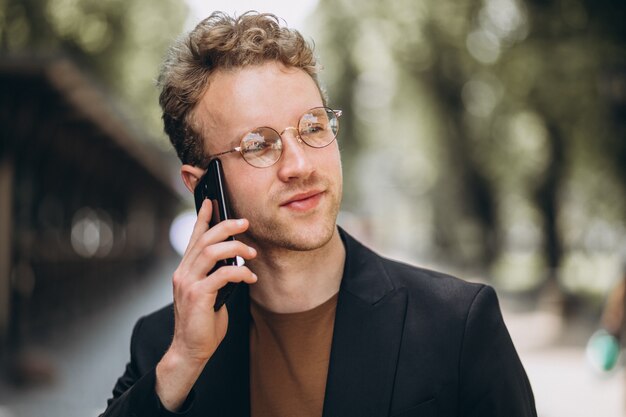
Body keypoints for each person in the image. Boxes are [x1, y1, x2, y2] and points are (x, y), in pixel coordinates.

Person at [101, 11, 537, 417]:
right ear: (202, 186)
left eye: (313, 127)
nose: (300, 165)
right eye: (258, 144)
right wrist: (180, 365)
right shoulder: (163, 346)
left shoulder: (457, 325)